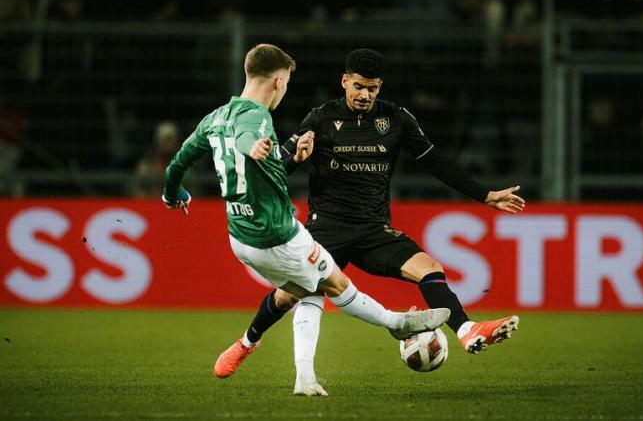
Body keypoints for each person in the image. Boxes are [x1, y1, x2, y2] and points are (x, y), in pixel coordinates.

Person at [226, 48, 526, 388]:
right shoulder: (321, 118)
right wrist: (295, 156)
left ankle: (467, 330)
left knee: (430, 268)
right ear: (344, 82)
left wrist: (484, 195)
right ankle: (247, 342)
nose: (364, 95)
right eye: (358, 87)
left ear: (380, 87)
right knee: (289, 296)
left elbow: (435, 162)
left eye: (372, 88)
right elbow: (275, 168)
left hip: (374, 229)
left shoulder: (396, 119)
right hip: (327, 229)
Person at [161, 44, 449, 396]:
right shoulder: (257, 118)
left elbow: (178, 163)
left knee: (302, 290)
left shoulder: (214, 117)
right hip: (278, 236)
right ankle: (398, 323)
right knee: (334, 286)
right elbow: (247, 135)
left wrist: (172, 195)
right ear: (279, 81)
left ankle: (257, 348)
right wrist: (251, 146)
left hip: (240, 238)